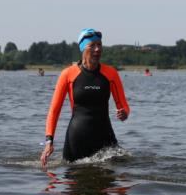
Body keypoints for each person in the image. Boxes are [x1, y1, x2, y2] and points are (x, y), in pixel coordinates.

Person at [40, 28, 130, 166]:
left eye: (99, 45)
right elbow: (54, 110)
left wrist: (124, 114)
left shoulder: (111, 73)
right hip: (77, 139)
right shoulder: (68, 74)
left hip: (105, 137)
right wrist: (49, 141)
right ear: (83, 48)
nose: (97, 49)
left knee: (118, 174)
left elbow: (124, 108)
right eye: (92, 45)